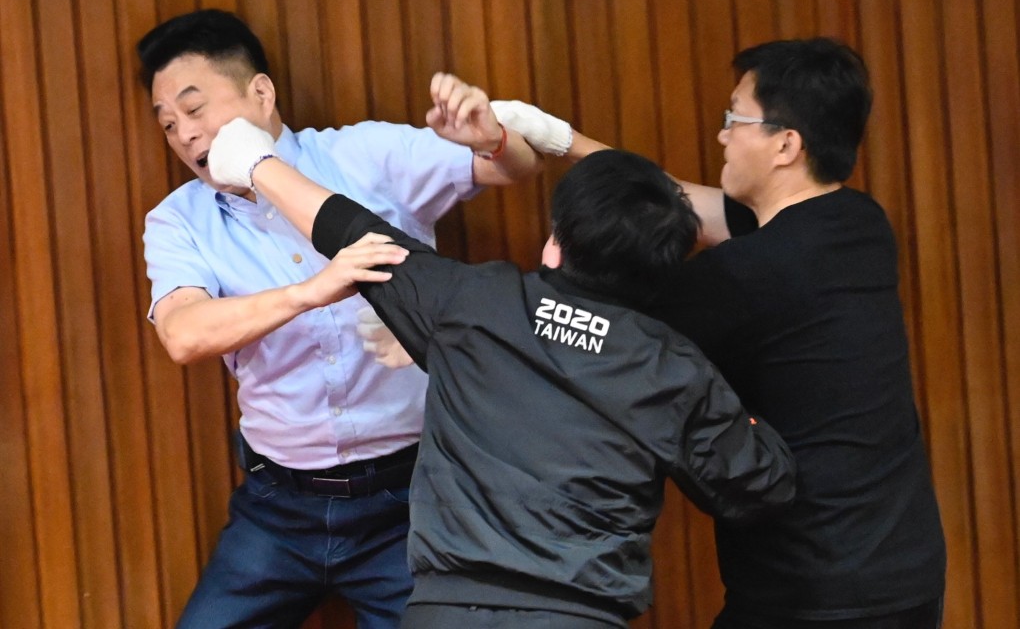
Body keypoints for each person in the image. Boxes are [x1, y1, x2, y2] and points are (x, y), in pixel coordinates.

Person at [205, 117, 797, 629]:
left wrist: (259, 164)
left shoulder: (473, 304)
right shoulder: (673, 369)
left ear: (555, 244)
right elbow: (763, 485)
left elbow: (358, 235)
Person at [490, 38, 946, 628]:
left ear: (786, 144)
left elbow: (601, 329)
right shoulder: (858, 224)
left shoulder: (743, 277)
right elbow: (674, 201)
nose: (722, 135)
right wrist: (558, 138)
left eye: (735, 118)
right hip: (905, 568)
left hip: (818, 589)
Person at [136, 8, 543, 628]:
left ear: (261, 92)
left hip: (409, 495)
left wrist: (491, 138)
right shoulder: (178, 219)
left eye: (195, 110)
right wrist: (310, 291)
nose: (186, 135)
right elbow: (183, 335)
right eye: (168, 125)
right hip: (279, 506)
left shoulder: (366, 155)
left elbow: (511, 168)